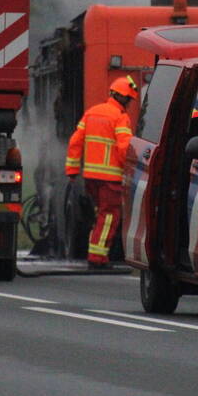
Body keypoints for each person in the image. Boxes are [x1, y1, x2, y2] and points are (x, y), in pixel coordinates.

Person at [64, 75, 138, 269]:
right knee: (109, 217)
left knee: (101, 216)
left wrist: (72, 169)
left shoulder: (92, 112)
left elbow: (75, 142)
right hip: (110, 178)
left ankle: (96, 255)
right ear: (121, 97)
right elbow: (124, 148)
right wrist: (131, 170)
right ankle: (97, 258)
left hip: (91, 177)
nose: (129, 103)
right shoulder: (120, 118)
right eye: (129, 99)